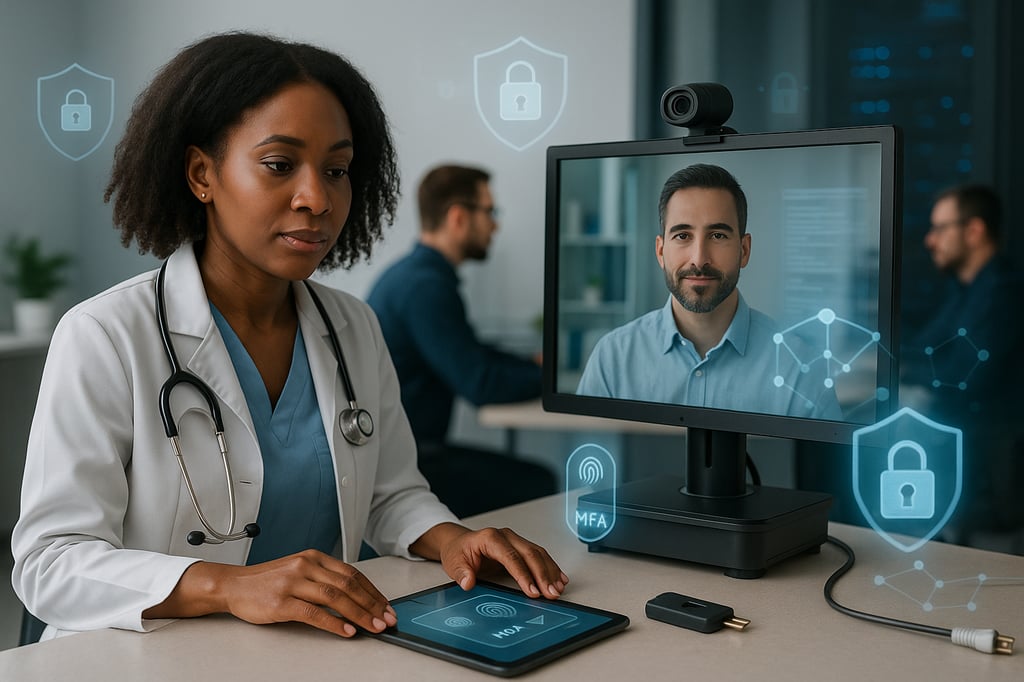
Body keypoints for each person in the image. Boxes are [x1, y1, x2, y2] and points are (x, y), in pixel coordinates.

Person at [11, 33, 567, 643]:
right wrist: (228, 586)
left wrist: (455, 539)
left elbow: (391, 495)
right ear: (202, 174)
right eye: (279, 165)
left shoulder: (352, 326)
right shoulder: (105, 335)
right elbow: (51, 563)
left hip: (308, 652)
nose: (318, 198)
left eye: (337, 170)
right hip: (145, 656)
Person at [577, 163, 841, 420]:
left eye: (718, 236)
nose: (699, 259)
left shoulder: (801, 368)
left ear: (744, 250)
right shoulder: (613, 357)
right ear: (660, 251)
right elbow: (589, 456)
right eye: (682, 236)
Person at [366, 165, 556, 518]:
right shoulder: (425, 287)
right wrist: (554, 382)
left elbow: (469, 352)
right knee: (540, 482)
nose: (495, 225)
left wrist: (530, 365)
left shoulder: (415, 276)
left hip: (405, 455)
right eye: (489, 212)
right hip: (408, 466)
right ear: (458, 217)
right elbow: (479, 382)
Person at [902, 184, 1024, 540]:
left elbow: (960, 379)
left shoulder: (1003, 293)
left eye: (940, 228)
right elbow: (923, 347)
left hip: (987, 461)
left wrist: (905, 373)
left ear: (973, 231)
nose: (929, 240)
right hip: (962, 446)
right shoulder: (965, 290)